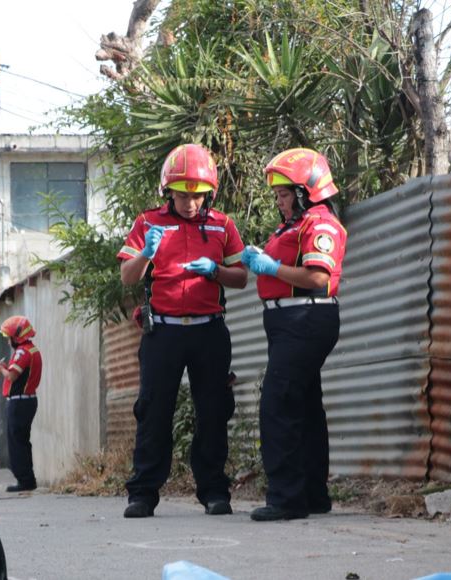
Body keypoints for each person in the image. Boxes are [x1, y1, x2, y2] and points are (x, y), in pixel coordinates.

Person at [117, 143, 247, 518]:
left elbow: (240, 278)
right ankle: (142, 493)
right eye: (182, 195)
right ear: (167, 191)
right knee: (153, 411)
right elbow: (127, 276)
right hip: (164, 333)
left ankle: (213, 492)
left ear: (209, 194)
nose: (190, 203)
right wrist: (146, 255)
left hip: (209, 331)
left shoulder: (222, 225)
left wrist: (216, 272)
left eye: (197, 195)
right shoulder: (147, 223)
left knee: (213, 411)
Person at [240, 148, 346, 522]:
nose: (279, 201)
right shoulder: (293, 225)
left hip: (306, 319)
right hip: (289, 322)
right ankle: (313, 494)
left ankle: (286, 498)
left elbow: (317, 279)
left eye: (285, 194)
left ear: (306, 191)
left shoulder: (321, 225)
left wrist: (271, 266)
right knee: (304, 406)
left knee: (279, 403)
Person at [0, 315, 43, 493]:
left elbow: (12, 376)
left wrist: (0, 369)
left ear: (16, 337)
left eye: (9, 338)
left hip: (19, 402)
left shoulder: (22, 352)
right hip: (27, 401)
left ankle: (24, 480)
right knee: (22, 440)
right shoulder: (33, 350)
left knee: (17, 442)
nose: (8, 342)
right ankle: (28, 478)